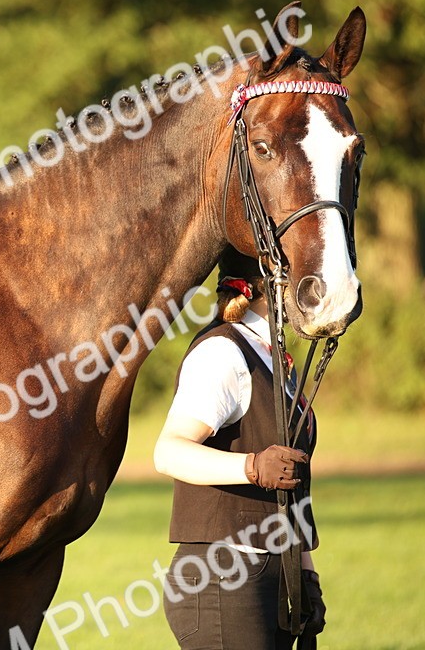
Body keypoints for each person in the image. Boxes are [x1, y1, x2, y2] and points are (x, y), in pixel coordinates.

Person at [155, 250, 325, 649]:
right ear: (267, 289)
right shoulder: (222, 353)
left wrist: (306, 572)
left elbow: (293, 485)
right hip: (221, 579)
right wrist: (252, 466)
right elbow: (168, 452)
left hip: (273, 572)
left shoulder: (276, 361)